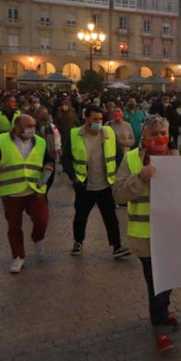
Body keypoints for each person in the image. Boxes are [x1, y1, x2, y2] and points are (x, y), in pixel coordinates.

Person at [113, 117, 181, 352]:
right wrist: (140, 178)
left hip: (173, 235)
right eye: (153, 134)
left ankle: (163, 310)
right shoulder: (131, 160)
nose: (159, 138)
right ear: (144, 138)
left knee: (167, 280)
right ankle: (160, 329)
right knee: (157, 284)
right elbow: (118, 194)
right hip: (146, 237)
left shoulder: (179, 156)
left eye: (163, 133)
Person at [0, 114, 54, 273]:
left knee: (42, 221)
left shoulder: (39, 141)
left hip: (35, 191)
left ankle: (38, 240)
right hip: (11, 194)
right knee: (14, 227)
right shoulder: (2, 141)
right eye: (28, 126)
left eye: (33, 125)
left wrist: (48, 167)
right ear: (17, 127)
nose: (31, 129)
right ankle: (18, 257)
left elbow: (48, 160)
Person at [62, 105, 131, 258]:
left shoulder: (109, 133)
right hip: (84, 184)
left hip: (105, 184)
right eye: (94, 119)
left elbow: (119, 155)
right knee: (80, 216)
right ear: (86, 119)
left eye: (100, 119)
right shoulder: (75, 135)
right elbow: (66, 159)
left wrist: (118, 174)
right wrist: (74, 178)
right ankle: (78, 242)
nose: (98, 122)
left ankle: (116, 246)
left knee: (111, 217)